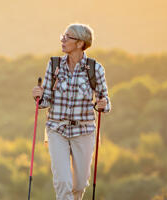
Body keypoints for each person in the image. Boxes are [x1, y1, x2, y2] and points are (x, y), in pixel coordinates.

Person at [32, 23, 111, 200]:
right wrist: (38, 96)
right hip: (56, 129)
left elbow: (105, 102)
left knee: (80, 184)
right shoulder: (54, 65)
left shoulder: (95, 69)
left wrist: (102, 104)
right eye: (63, 36)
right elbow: (44, 102)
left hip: (84, 131)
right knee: (63, 183)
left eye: (68, 37)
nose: (63, 40)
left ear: (80, 43)